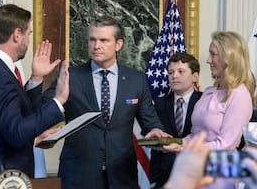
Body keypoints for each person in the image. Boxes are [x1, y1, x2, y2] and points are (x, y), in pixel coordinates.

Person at [37, 15, 171, 189]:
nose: (96, 46)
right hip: (78, 174)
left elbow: (150, 120)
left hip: (122, 175)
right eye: (92, 39)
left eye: (103, 40)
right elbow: (42, 110)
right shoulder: (71, 76)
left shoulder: (136, 80)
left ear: (118, 44)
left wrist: (155, 130)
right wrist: (37, 78)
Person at [0, 4, 69, 182]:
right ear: (17, 34)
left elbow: (10, 118)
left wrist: (35, 78)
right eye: (29, 34)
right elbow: (16, 133)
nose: (28, 40)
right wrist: (58, 102)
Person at [161, 31, 255, 189]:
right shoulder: (210, 91)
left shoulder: (240, 94)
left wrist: (185, 148)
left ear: (229, 58)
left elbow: (226, 144)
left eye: (213, 55)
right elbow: (196, 134)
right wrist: (172, 143)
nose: (208, 60)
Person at [149, 52, 202, 188]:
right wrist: (153, 179)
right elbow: (156, 143)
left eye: (181, 71)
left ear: (194, 76)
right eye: (171, 72)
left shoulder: (205, 102)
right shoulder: (160, 103)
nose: (175, 76)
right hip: (165, 176)